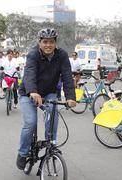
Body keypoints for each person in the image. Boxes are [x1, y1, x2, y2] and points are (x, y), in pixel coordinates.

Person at [16, 28, 76, 170]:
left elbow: (67, 76)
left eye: (51, 42)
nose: (48, 45)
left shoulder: (62, 55)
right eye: (45, 42)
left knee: (53, 117)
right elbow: (29, 73)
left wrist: (71, 97)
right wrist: (33, 92)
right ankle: (23, 153)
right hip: (28, 93)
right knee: (30, 122)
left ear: (56, 43)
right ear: (39, 42)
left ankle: (51, 145)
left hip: (49, 93)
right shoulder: (33, 54)